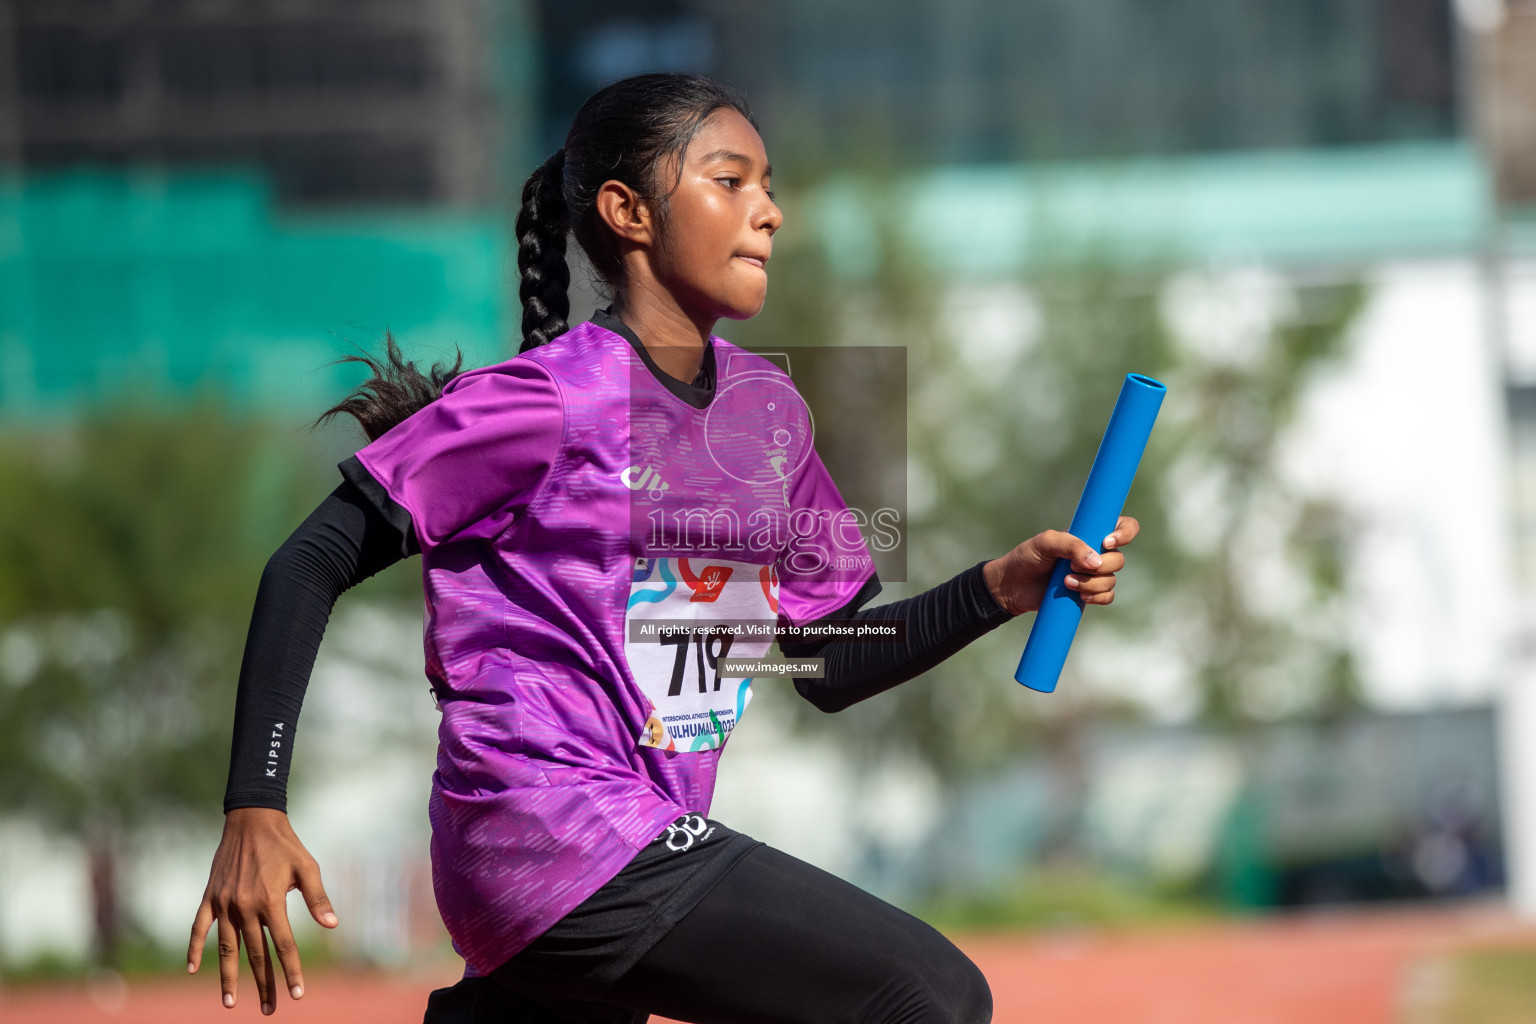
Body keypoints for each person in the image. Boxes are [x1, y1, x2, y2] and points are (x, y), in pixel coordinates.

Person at [186, 72, 1138, 1024]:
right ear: (627, 212)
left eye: (769, 185)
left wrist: (999, 589)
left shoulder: (769, 413)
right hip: (552, 828)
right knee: (929, 996)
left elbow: (825, 660)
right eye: (732, 181)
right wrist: (255, 805)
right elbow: (307, 562)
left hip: (616, 845)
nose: (768, 211)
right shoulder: (542, 401)